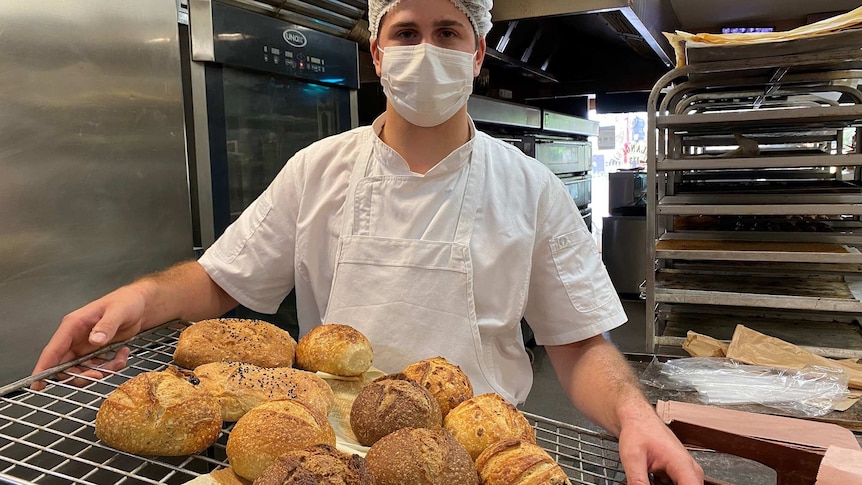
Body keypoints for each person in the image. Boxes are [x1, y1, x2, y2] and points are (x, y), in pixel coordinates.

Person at [32, 0, 704, 483]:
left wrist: (633, 414)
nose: (425, 48)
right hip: (329, 459)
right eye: (406, 32)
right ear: (379, 53)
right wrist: (137, 298)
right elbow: (219, 279)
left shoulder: (530, 188)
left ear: (476, 52)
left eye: (448, 31)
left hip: (478, 459)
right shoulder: (316, 170)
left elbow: (581, 342)